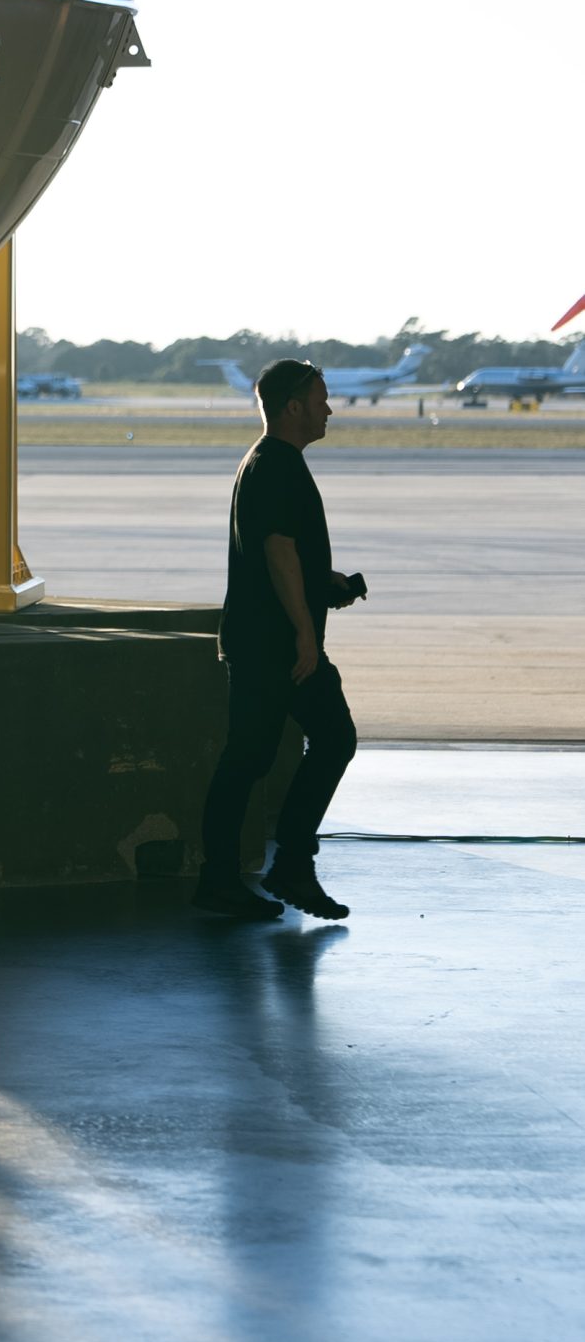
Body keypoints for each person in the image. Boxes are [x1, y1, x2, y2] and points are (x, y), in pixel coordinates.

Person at [193, 359, 367, 921]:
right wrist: (304, 634)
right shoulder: (276, 466)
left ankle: (263, 870)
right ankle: (264, 871)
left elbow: (286, 553)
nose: (328, 410)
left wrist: (324, 582)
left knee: (263, 754)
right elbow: (277, 551)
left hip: (270, 640)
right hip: (276, 645)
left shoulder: (269, 462)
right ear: (293, 408)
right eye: (320, 401)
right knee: (290, 748)